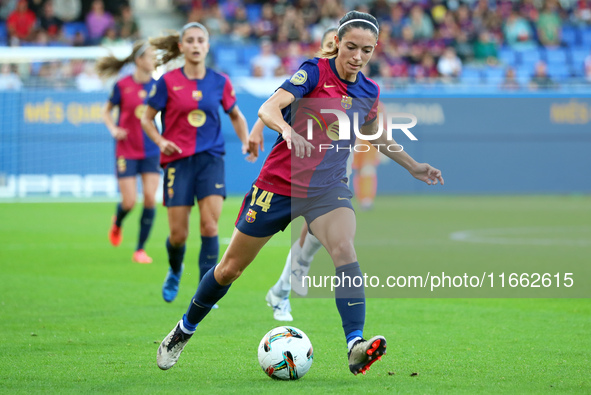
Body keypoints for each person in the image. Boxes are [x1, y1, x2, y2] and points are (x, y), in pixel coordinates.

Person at [156, 11, 443, 375]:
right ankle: (183, 330)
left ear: (375, 50)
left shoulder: (368, 91)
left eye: (366, 50)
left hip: (327, 189)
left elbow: (378, 135)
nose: (357, 56)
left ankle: (355, 345)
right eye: (351, 47)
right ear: (337, 43)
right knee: (229, 269)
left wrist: (413, 165)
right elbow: (268, 107)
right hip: (277, 186)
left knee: (344, 249)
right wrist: (286, 131)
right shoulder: (313, 72)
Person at [141, 22, 251, 303]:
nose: (195, 45)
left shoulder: (220, 81)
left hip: (210, 160)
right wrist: (160, 141)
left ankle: (206, 292)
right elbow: (146, 117)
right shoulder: (166, 82)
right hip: (177, 162)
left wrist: (246, 140)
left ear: (207, 45)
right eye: (189, 40)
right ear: (181, 47)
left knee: (210, 227)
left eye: (200, 40)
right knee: (178, 235)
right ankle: (175, 270)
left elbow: (236, 115)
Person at [249, 28, 337, 322]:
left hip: (328, 165)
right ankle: (285, 286)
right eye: (330, 46)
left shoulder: (352, 82)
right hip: (291, 169)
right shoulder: (311, 73)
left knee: (318, 233)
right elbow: (274, 105)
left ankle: (287, 283)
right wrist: (257, 129)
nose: (337, 53)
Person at [98, 40, 159, 264]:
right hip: (126, 149)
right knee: (130, 202)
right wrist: (113, 129)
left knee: (151, 199)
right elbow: (106, 111)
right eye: (150, 56)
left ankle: (140, 250)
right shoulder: (122, 85)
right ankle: (118, 222)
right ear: (139, 60)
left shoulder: (157, 86)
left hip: (151, 148)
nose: (154, 61)